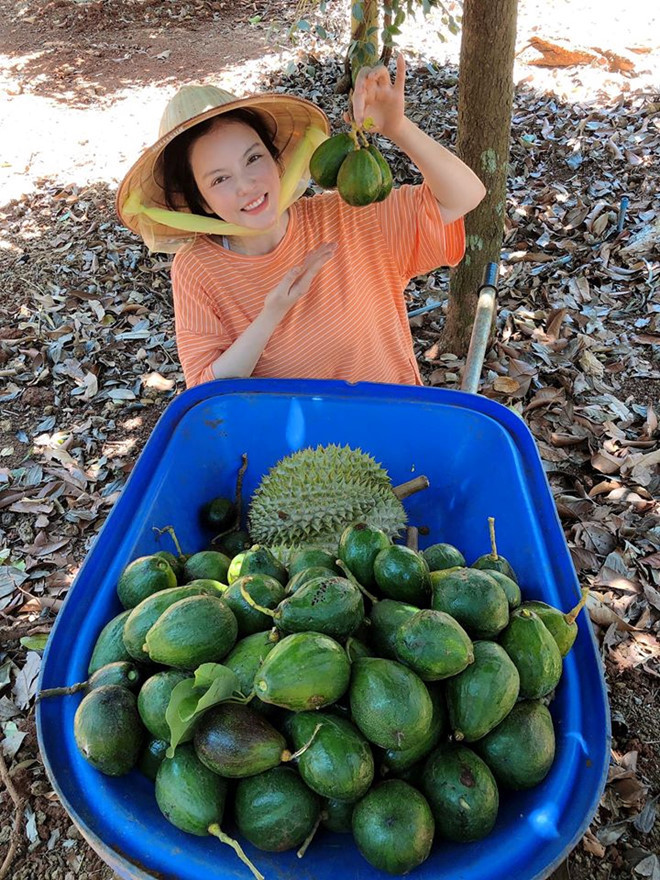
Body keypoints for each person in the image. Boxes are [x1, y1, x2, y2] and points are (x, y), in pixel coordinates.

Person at [116, 54, 486, 388]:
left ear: (276, 160)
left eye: (253, 159)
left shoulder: (348, 215)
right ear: (199, 200)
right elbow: (207, 390)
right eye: (219, 179)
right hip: (294, 454)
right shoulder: (198, 269)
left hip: (394, 430)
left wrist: (397, 128)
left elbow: (465, 196)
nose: (247, 186)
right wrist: (273, 312)